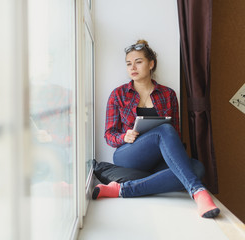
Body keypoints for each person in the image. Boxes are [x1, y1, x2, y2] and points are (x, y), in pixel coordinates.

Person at [92, 39, 220, 218]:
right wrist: (124, 137)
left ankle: (123, 190)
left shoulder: (168, 94)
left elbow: (176, 132)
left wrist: (174, 157)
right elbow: (109, 134)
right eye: (129, 64)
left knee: (197, 167)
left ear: (151, 64)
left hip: (159, 158)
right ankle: (198, 191)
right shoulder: (118, 94)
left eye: (138, 62)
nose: (132, 67)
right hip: (128, 153)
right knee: (164, 131)